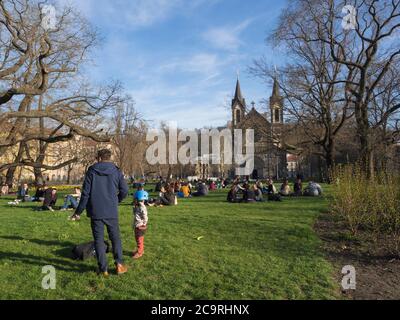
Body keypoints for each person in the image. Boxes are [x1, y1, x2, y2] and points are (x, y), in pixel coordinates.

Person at [70, 149, 129, 277]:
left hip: (96, 211)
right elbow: (125, 190)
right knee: (115, 238)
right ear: (109, 157)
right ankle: (119, 264)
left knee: (99, 240)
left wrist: (78, 212)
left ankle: (103, 269)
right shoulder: (116, 171)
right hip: (111, 211)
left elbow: (85, 194)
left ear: (98, 158)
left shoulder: (91, 171)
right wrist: (116, 200)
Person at [132, 191, 148, 259]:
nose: (133, 200)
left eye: (134, 199)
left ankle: (140, 252)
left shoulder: (142, 207)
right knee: (137, 238)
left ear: (138, 199)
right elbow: (135, 214)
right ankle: (140, 250)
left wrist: (144, 223)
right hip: (137, 225)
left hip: (140, 226)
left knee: (139, 240)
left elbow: (145, 216)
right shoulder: (137, 206)